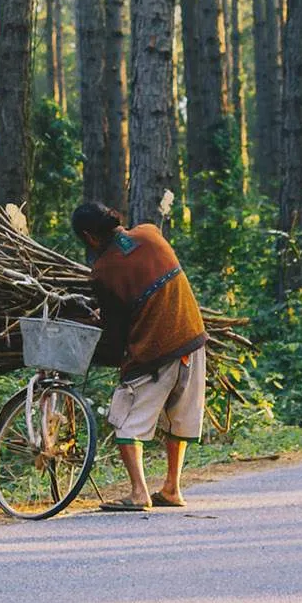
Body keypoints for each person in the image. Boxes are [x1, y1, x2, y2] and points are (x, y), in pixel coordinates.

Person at [71, 199, 207, 511]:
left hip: (157, 349)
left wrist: (102, 351)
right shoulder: (150, 233)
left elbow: (117, 331)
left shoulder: (103, 271)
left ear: (90, 238)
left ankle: (138, 493)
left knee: (127, 420)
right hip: (193, 338)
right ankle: (172, 488)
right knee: (179, 417)